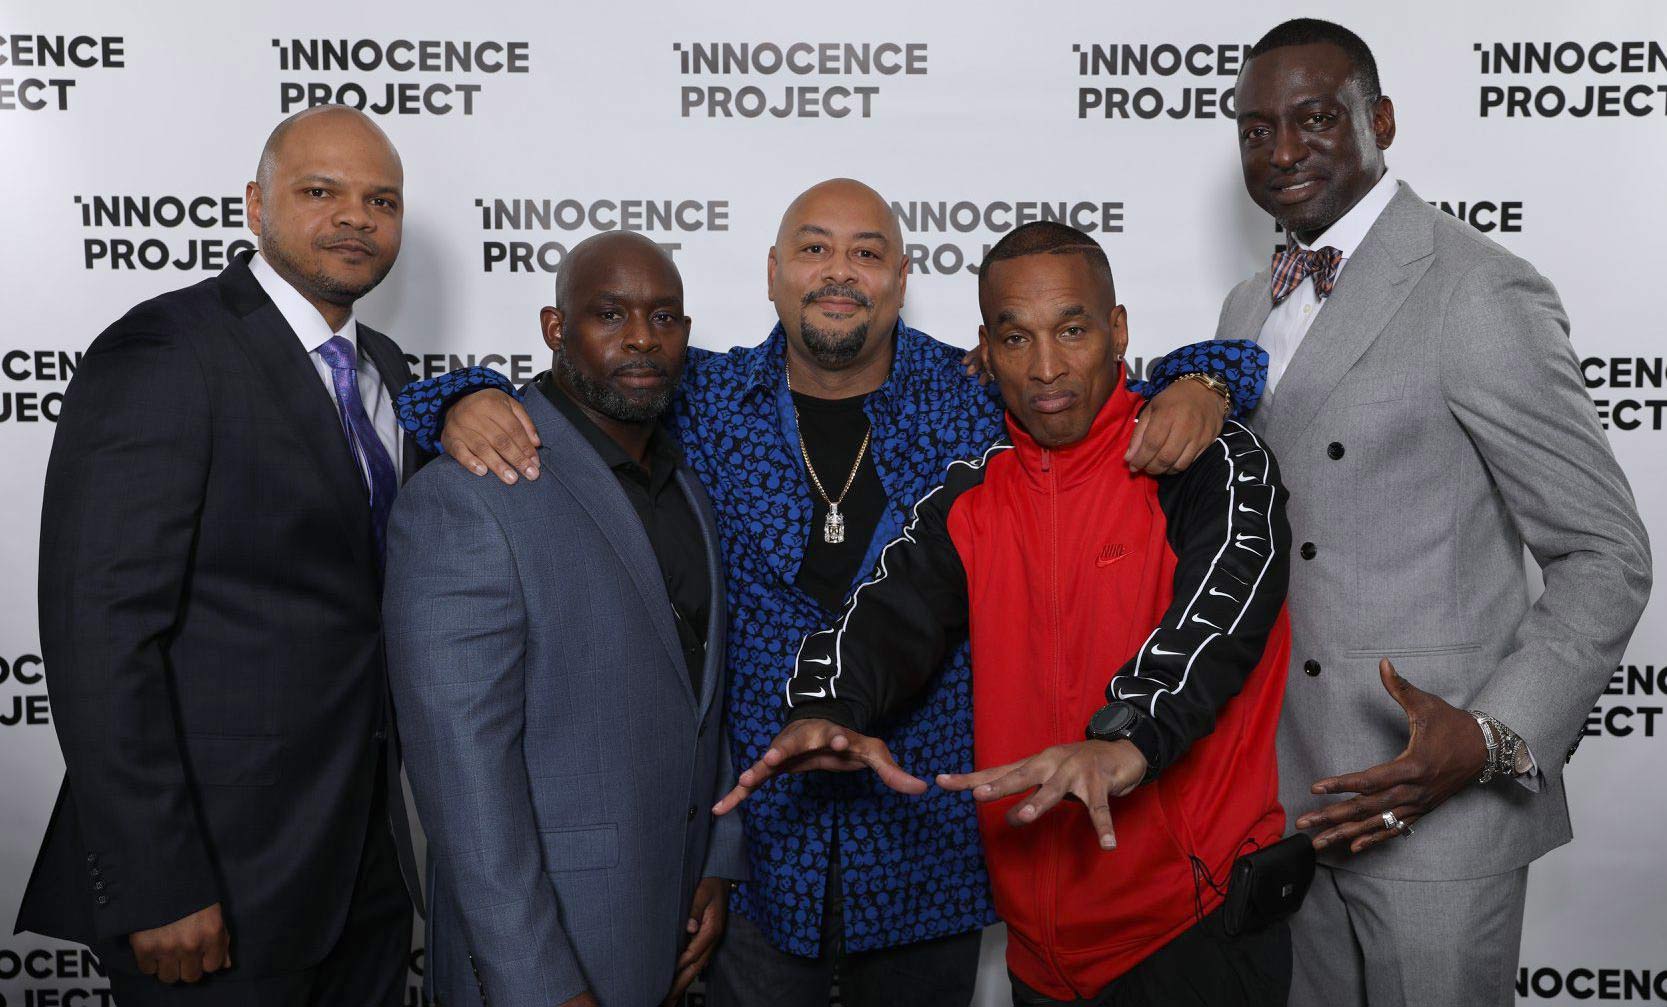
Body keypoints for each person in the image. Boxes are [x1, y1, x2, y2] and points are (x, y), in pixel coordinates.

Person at [397, 178, 1261, 1007]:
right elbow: (582, 378)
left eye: (866, 251)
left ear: (902, 279)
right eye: (814, 248)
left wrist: (1207, 382)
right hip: (760, 857)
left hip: (930, 853)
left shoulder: (975, 393)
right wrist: (456, 398)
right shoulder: (702, 395)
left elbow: (1108, 376)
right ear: (773, 272)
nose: (838, 270)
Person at [714, 221, 1294, 1006]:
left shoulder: (1206, 458)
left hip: (1189, 924)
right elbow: (889, 615)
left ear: (1117, 329)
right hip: (1039, 952)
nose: (1046, 367)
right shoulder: (973, 491)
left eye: (1072, 330)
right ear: (985, 351)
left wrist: (1122, 741)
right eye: (1016, 338)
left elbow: (1220, 617)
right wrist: (826, 708)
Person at [1218, 19, 1652, 1007]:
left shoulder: (1475, 288)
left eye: (1313, 119)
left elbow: (1602, 550)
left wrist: (1494, 734)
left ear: (1379, 120)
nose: (1279, 150)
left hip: (1434, 798)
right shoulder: (1244, 306)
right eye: (1253, 129)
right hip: (1290, 797)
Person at [18, 105, 423, 1006]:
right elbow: (100, 635)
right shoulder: (167, 348)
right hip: (211, 884)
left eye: (381, 199)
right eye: (321, 192)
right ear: (255, 204)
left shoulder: (389, 369)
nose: (356, 217)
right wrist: (156, 880)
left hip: (363, 871)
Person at [383, 231, 744, 1007]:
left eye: (665, 316)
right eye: (609, 313)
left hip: (667, 920)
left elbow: (700, 697)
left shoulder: (685, 485)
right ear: (554, 328)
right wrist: (536, 983)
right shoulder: (468, 496)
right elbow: (460, 776)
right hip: (545, 953)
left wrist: (714, 859)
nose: (643, 338)